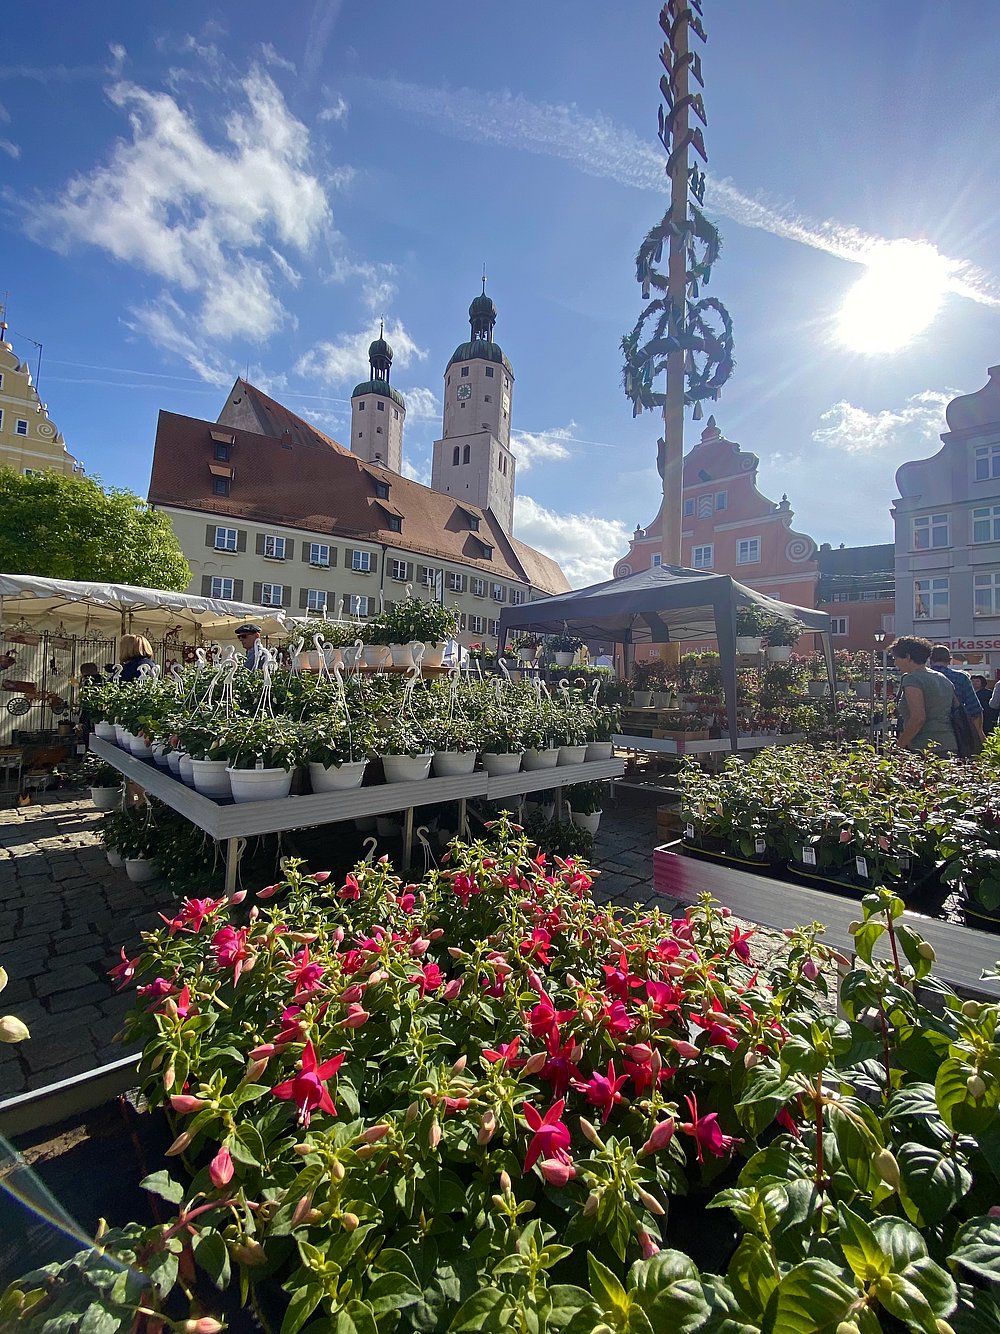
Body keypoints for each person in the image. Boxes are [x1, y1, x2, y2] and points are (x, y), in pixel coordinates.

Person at [888, 636, 957, 755]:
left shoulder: (912, 679)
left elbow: (918, 718)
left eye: (896, 658)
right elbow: (955, 706)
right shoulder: (942, 678)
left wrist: (898, 747)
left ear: (908, 657)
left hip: (924, 747)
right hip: (949, 743)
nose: (895, 663)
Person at [929, 645, 984, 741]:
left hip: (926, 731)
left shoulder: (922, 678)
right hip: (956, 731)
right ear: (949, 660)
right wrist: (979, 734)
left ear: (931, 660)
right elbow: (975, 708)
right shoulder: (961, 677)